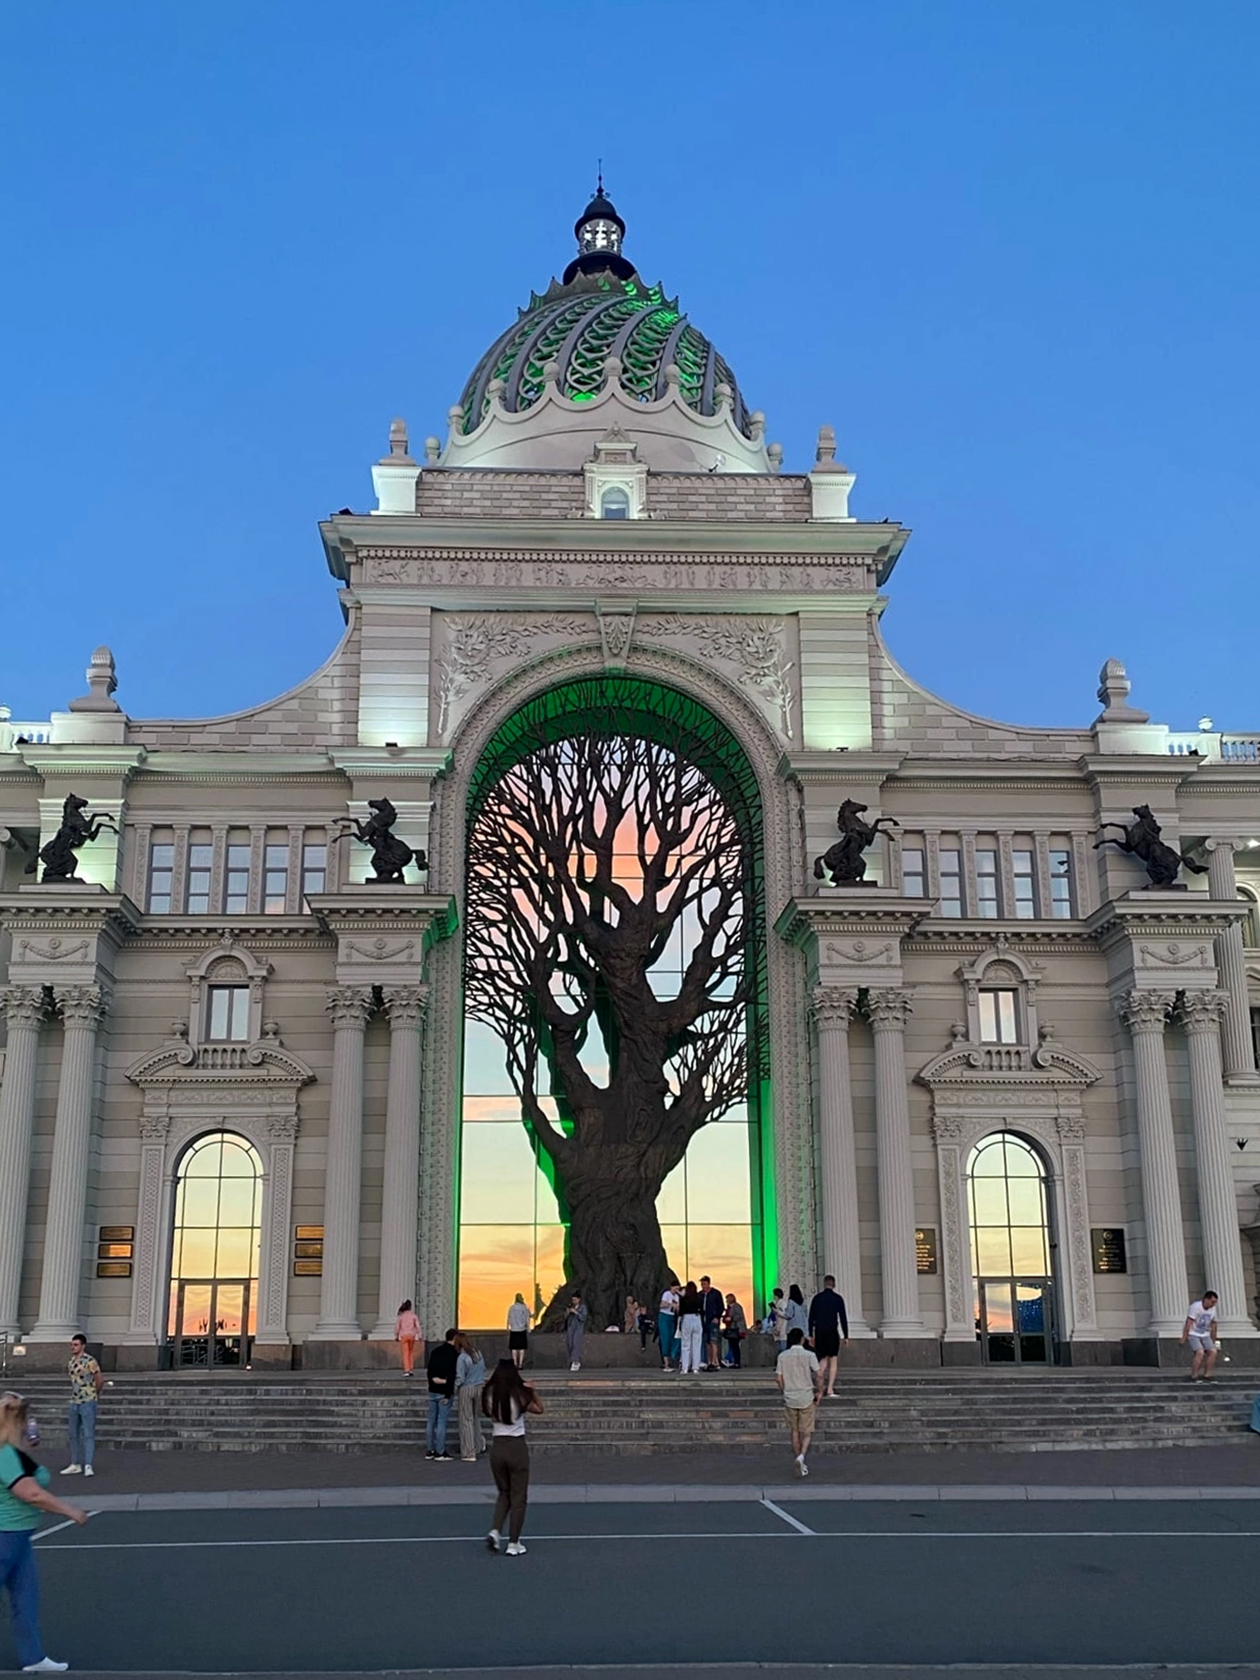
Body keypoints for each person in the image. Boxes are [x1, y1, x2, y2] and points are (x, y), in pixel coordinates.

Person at [1, 1392, 88, 1672]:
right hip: (5, 1535)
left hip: (19, 1537)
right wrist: (68, 1510)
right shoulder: (4, 1455)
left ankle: (34, 1658)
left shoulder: (12, 1453)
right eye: (26, 1421)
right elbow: (31, 1493)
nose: (30, 1426)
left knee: (26, 1598)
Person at [482, 1359, 544, 1556]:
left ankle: (496, 1530)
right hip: (516, 1445)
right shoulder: (519, 1395)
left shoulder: (490, 1395)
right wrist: (532, 1390)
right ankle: (514, 1542)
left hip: (497, 1446)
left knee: (504, 1493)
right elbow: (539, 1409)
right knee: (519, 1497)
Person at [776, 1328, 820, 1477]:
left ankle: (798, 1458)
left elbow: (778, 1378)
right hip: (806, 1396)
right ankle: (802, 1456)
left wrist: (784, 1390)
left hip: (790, 1397)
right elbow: (819, 1374)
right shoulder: (809, 1355)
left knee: (794, 1430)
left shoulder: (782, 1356)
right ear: (802, 1339)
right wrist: (819, 1391)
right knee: (807, 1431)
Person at [61, 1335, 103, 1479]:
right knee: (73, 1434)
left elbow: (99, 1379)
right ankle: (75, 1463)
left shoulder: (90, 1361)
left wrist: (94, 1393)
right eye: (72, 1345)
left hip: (88, 1400)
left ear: (83, 1346)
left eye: (76, 1345)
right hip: (74, 1401)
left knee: (88, 1434)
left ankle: (88, 1464)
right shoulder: (71, 1362)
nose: (73, 1347)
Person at [808, 1275, 850, 1399]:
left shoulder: (817, 1298)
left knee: (823, 1359)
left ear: (824, 1284)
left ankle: (819, 1386)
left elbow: (811, 1318)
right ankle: (830, 1389)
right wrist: (846, 1335)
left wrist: (811, 1334)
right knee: (833, 1359)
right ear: (834, 1284)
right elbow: (843, 1318)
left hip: (819, 1332)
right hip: (832, 1331)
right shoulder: (837, 1299)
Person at [424, 1328, 459, 1461]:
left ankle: (429, 1450)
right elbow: (452, 1375)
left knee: (431, 1421)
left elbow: (430, 1372)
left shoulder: (435, 1351)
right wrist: (448, 1393)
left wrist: (433, 1382)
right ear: (454, 1339)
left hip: (432, 1390)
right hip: (444, 1391)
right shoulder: (454, 1354)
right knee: (441, 1421)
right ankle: (440, 1451)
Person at [454, 1332, 487, 1462]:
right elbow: (483, 1368)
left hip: (466, 1388)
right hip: (479, 1386)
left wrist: (454, 1388)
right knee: (475, 1418)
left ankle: (469, 1452)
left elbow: (460, 1377)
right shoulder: (477, 1353)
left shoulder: (462, 1357)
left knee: (466, 1420)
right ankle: (478, 1445)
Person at [1181, 1291, 1221, 1381]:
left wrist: (1213, 1338)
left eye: (1215, 1302)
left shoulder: (1213, 1309)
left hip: (1205, 1334)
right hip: (1193, 1333)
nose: (1213, 1304)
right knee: (1200, 1352)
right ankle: (1194, 1375)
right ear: (1206, 1299)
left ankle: (1207, 1374)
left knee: (1213, 1352)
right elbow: (1189, 1322)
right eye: (1212, 1302)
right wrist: (1184, 1337)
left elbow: (1214, 1324)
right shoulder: (1196, 1307)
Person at [677, 1281, 705, 1375]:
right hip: (697, 1318)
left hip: (686, 1318)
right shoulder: (699, 1298)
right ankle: (695, 1367)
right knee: (696, 1345)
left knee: (685, 1345)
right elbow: (702, 1311)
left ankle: (685, 1367)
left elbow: (680, 1312)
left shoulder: (684, 1299)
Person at [699, 1277, 724, 1371]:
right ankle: (709, 1361)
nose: (703, 1286)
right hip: (703, 1321)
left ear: (709, 1284)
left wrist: (717, 1316)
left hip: (712, 1320)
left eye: (705, 1284)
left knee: (713, 1341)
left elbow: (721, 1306)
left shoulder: (716, 1294)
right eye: (702, 1285)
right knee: (707, 1342)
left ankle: (714, 1361)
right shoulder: (700, 1295)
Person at [394, 1299, 423, 1378]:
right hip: (412, 1336)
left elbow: (397, 1327)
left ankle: (407, 1370)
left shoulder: (401, 1316)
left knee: (405, 1353)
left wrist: (396, 1336)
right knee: (410, 1353)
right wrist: (419, 1336)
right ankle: (411, 1369)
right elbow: (418, 1326)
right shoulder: (413, 1315)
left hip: (404, 1336)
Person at [563, 1293, 588, 1371]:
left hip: (578, 1328)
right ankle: (571, 1360)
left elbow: (583, 1318)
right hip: (571, 1327)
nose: (574, 1301)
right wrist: (568, 1312)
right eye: (573, 1300)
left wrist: (576, 1313)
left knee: (576, 1343)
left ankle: (576, 1361)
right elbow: (565, 1318)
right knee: (570, 1343)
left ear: (579, 1299)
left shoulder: (582, 1308)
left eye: (575, 1300)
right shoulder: (571, 1307)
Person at [657, 1284, 680, 1371]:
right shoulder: (667, 1294)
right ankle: (666, 1363)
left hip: (672, 1317)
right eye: (675, 1288)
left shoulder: (677, 1296)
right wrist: (670, 1305)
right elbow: (662, 1305)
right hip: (664, 1316)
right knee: (665, 1338)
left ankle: (669, 1361)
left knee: (671, 1338)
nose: (676, 1290)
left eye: (678, 1289)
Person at [722, 1294, 748, 1367]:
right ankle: (733, 1361)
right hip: (732, 1329)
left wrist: (731, 1318)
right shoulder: (730, 1307)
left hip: (736, 1329)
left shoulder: (736, 1306)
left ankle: (736, 1362)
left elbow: (740, 1316)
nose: (726, 1301)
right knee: (733, 1346)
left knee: (735, 1346)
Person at [506, 1293, 531, 1369]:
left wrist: (507, 1326)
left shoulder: (511, 1308)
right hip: (522, 1330)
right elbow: (527, 1318)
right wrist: (528, 1328)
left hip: (513, 1329)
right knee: (521, 1348)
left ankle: (515, 1363)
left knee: (514, 1348)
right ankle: (520, 1364)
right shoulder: (524, 1308)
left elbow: (509, 1318)